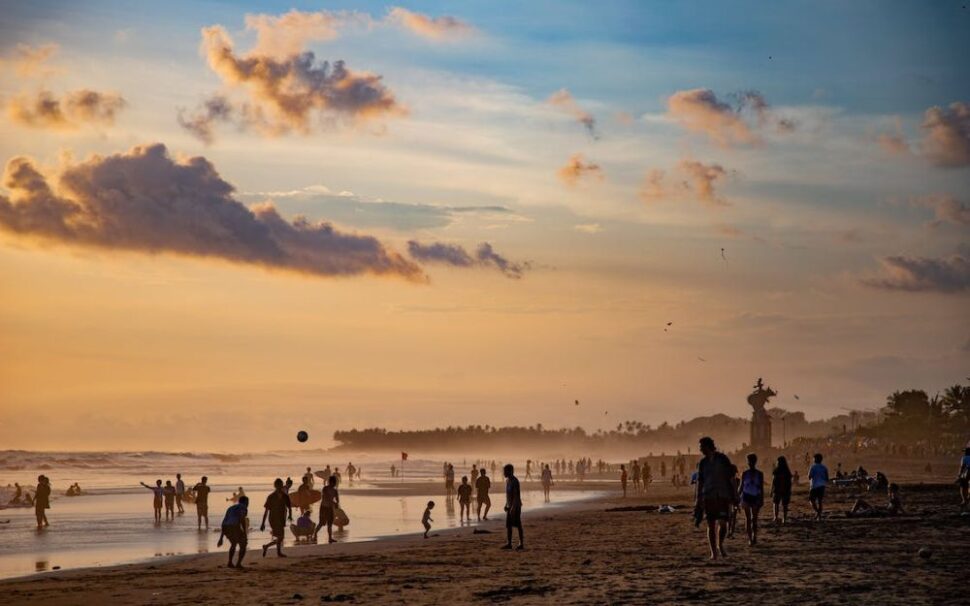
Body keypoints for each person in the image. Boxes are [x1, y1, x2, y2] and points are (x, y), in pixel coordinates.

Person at [694, 437, 735, 560]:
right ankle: (713, 553)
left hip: (723, 494)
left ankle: (720, 545)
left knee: (723, 523)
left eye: (701, 446)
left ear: (708, 446)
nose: (700, 449)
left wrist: (735, 494)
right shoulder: (703, 463)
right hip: (709, 495)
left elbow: (731, 477)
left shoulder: (722, 459)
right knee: (711, 524)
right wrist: (698, 498)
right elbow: (700, 481)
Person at [261, 478, 292, 557]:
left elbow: (289, 506)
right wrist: (263, 523)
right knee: (280, 536)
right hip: (273, 518)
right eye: (278, 485)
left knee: (280, 537)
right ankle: (278, 552)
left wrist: (290, 515)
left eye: (280, 485)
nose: (279, 487)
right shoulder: (271, 497)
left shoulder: (285, 496)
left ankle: (267, 546)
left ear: (282, 485)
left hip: (282, 518)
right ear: (275, 486)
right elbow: (266, 511)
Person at [217, 495, 249, 568]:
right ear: (245, 502)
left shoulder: (230, 508)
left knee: (234, 543)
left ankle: (230, 562)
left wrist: (221, 538)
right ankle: (238, 563)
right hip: (234, 526)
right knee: (243, 544)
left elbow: (224, 521)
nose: (248, 504)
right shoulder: (243, 507)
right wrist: (244, 533)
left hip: (225, 527)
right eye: (247, 502)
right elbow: (242, 519)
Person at [739, 453, 764, 546]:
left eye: (751, 461)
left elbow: (761, 487)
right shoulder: (745, 473)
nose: (750, 463)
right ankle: (750, 538)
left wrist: (761, 499)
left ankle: (754, 536)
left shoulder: (759, 474)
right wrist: (737, 497)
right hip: (746, 496)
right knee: (749, 519)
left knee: (753, 519)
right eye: (749, 461)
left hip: (755, 496)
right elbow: (741, 487)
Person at [503, 464, 524, 550]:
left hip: (516, 506)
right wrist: (506, 504)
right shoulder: (508, 480)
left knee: (518, 525)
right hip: (510, 505)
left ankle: (521, 543)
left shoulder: (515, 481)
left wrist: (513, 508)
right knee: (509, 525)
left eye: (505, 471)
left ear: (510, 471)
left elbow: (516, 496)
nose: (503, 473)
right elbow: (508, 495)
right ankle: (509, 543)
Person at [314, 475, 339, 544]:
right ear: (330, 482)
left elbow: (337, 499)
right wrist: (334, 503)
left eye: (335, 482)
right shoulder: (325, 488)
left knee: (330, 524)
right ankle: (315, 534)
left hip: (330, 508)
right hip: (324, 507)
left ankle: (330, 538)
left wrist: (337, 503)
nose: (334, 484)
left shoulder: (335, 490)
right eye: (333, 482)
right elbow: (326, 497)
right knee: (321, 523)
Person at [771, 456, 793, 524]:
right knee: (785, 505)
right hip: (785, 490)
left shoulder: (776, 470)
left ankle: (776, 517)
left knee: (776, 504)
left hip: (777, 489)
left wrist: (771, 490)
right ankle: (784, 518)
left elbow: (773, 481)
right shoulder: (787, 471)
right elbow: (790, 482)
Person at [808, 453, 829, 521]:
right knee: (819, 501)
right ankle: (819, 516)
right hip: (822, 485)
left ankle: (817, 512)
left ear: (815, 459)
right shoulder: (824, 467)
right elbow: (827, 478)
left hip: (814, 486)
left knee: (811, 500)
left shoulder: (813, 467)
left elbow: (809, 476)